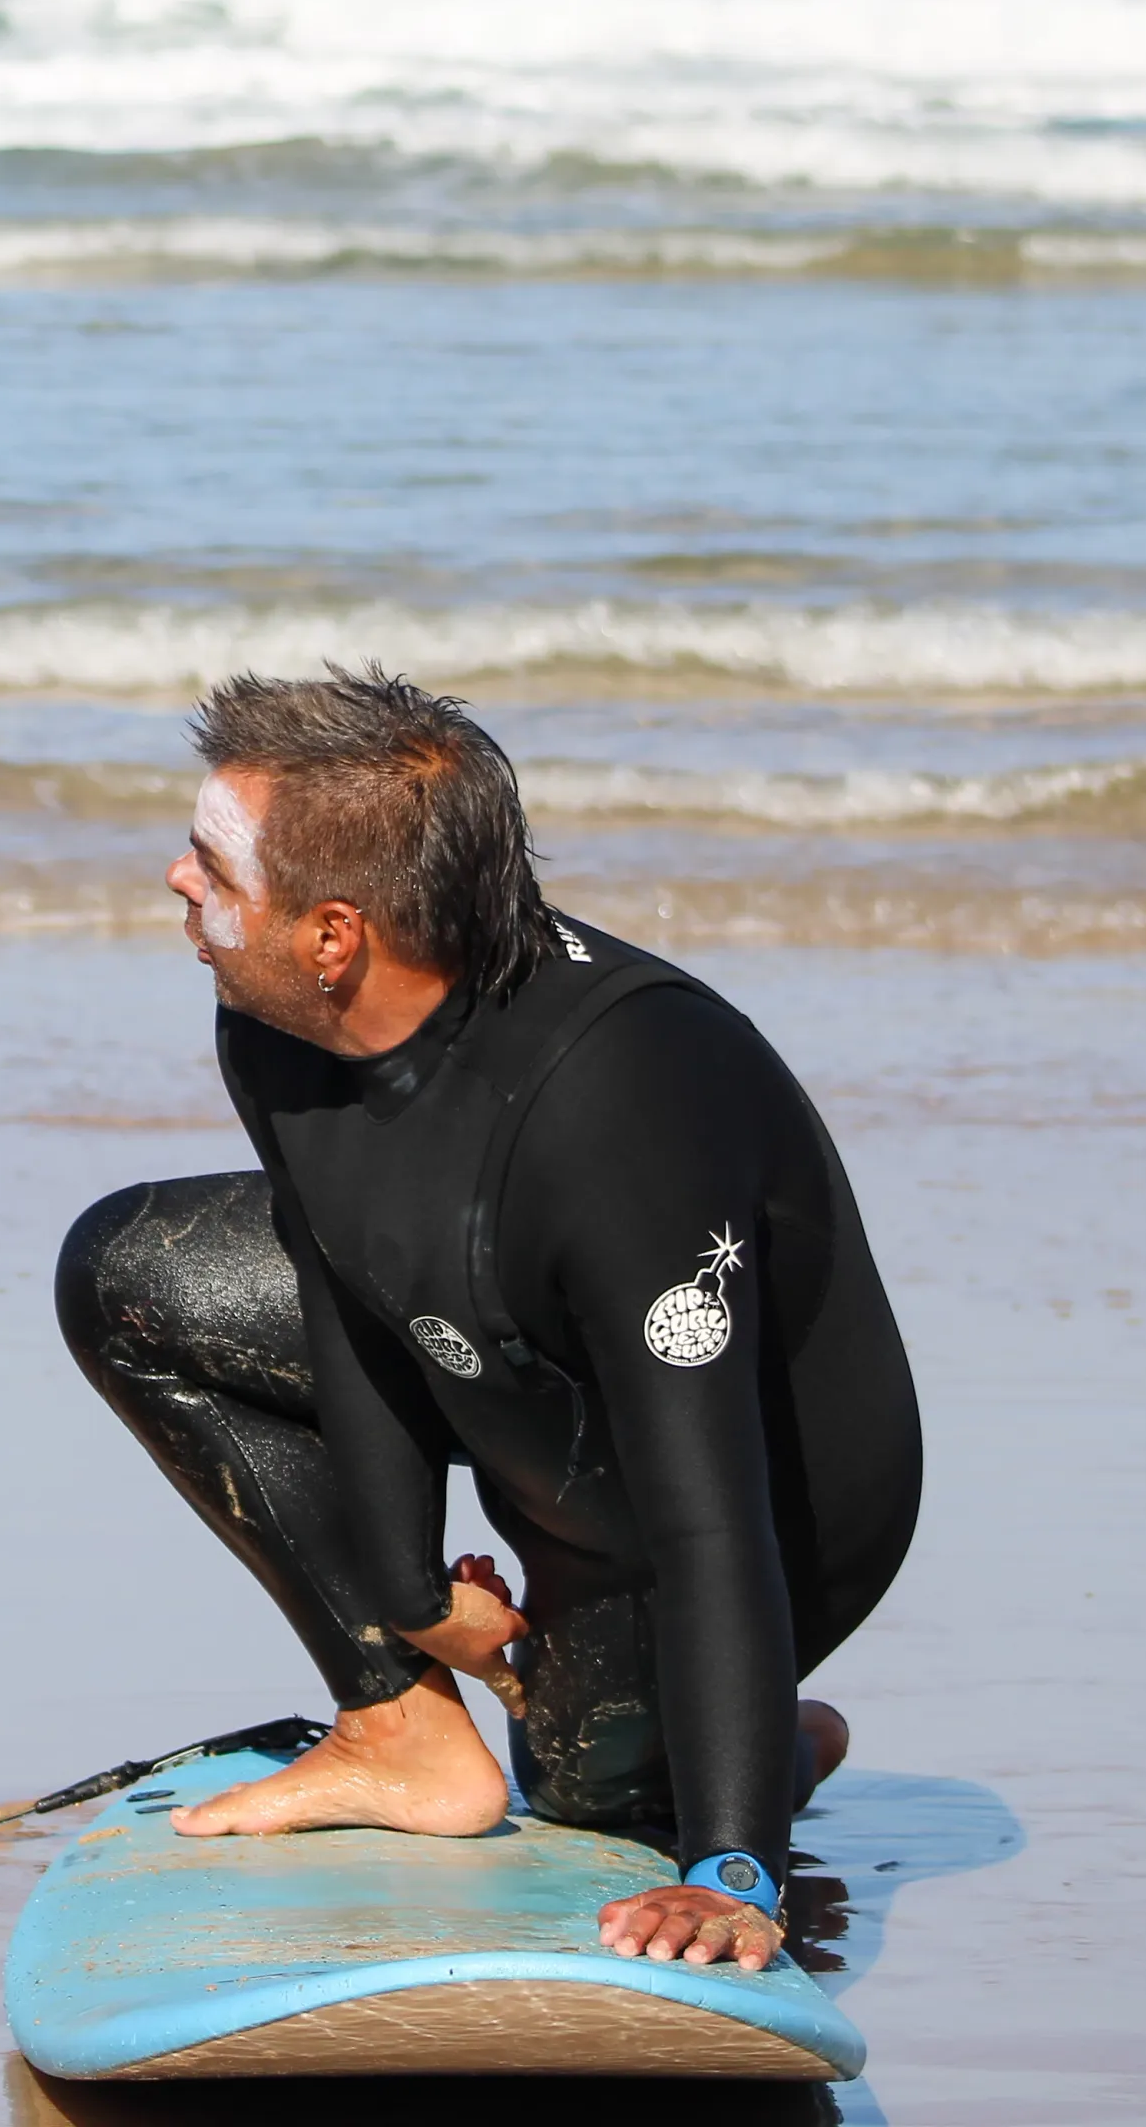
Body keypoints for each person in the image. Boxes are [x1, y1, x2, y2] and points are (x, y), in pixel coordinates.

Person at [55, 670, 920, 1974]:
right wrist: (409, 1601)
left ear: (334, 934)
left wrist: (734, 1868)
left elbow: (710, 1516)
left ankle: (765, 1743)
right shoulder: (278, 1016)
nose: (180, 880)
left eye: (211, 864)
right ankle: (398, 1733)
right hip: (503, 1358)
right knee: (128, 1276)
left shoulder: (627, 1109)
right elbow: (348, 1283)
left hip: (748, 1502)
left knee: (591, 1801)